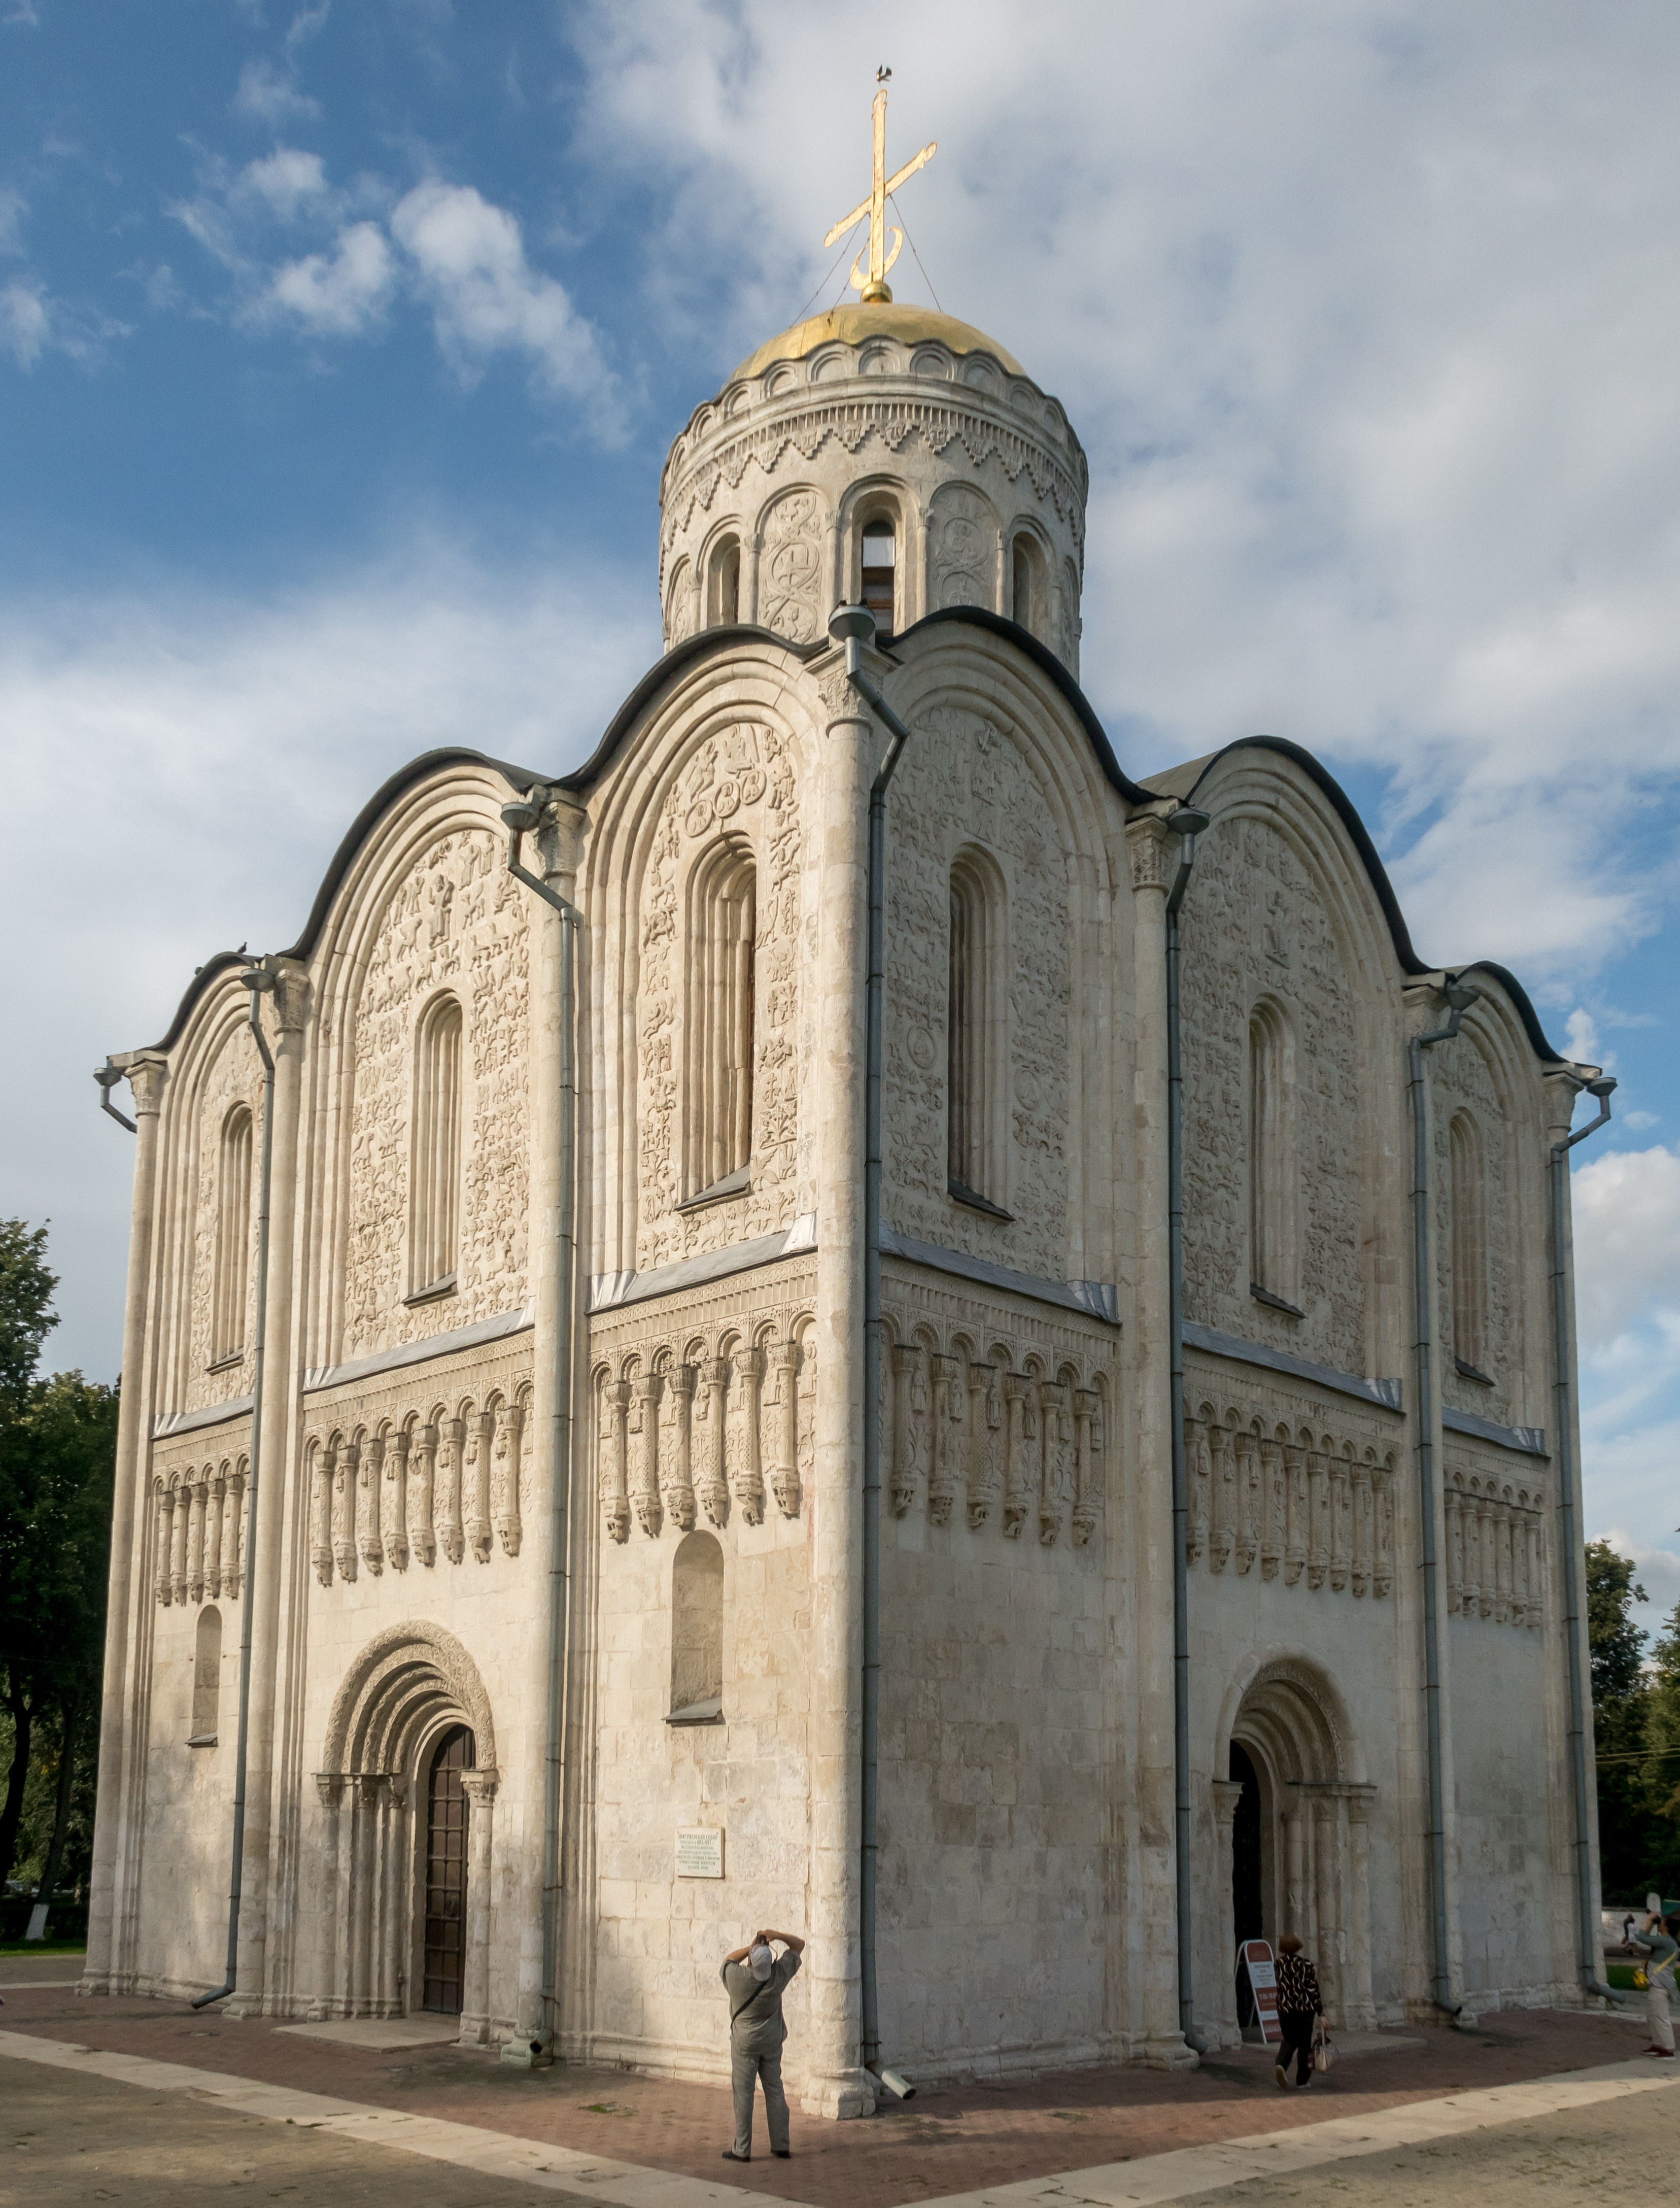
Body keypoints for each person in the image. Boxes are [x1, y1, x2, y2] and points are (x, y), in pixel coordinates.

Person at [719, 1926, 805, 2162]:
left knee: (744, 2095)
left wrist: (752, 1947)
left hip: (744, 2044)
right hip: (771, 2041)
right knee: (775, 2090)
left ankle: (742, 2149)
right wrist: (777, 1936)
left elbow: (727, 1962)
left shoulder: (738, 1979)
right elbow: (799, 1946)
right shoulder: (778, 1976)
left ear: (751, 1964)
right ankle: (781, 2145)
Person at [1274, 1932, 1324, 2089]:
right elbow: (1313, 1990)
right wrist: (1321, 2013)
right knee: (1304, 2045)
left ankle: (1281, 2064)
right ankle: (1302, 2080)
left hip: (1285, 2009)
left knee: (1289, 2039)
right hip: (1304, 2010)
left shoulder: (1278, 1964)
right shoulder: (1306, 1965)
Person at [1630, 1909, 1678, 2058]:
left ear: (1666, 1928)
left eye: (1662, 1922)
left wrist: (1648, 1920)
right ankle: (1658, 2045)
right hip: (1657, 1986)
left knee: (1661, 2018)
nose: (1660, 1923)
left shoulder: (1666, 1941)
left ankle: (1669, 2049)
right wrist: (1651, 1922)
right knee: (1652, 2017)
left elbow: (1642, 1938)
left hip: (1659, 1988)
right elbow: (1647, 1937)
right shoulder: (1667, 1941)